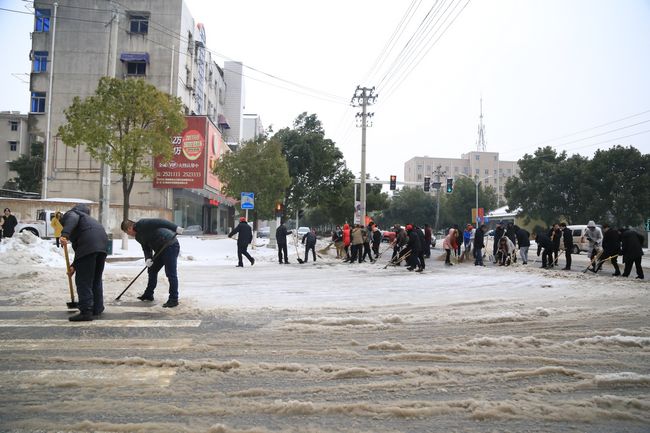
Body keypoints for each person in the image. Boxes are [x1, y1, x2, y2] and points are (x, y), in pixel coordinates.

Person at [60, 204, 108, 321]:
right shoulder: (89, 221)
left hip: (89, 245)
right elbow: (80, 251)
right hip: (102, 246)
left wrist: (65, 234)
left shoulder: (74, 214)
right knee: (95, 279)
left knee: (83, 280)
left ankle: (86, 311)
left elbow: (72, 218)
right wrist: (74, 266)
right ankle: (97, 307)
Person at [121, 218, 183, 308]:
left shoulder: (142, 224)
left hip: (170, 244)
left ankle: (173, 299)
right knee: (152, 270)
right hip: (160, 249)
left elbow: (161, 222)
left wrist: (175, 228)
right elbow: (146, 248)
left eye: (127, 232)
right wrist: (148, 258)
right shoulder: (138, 237)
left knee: (170, 273)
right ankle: (149, 294)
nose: (128, 235)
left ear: (129, 228)